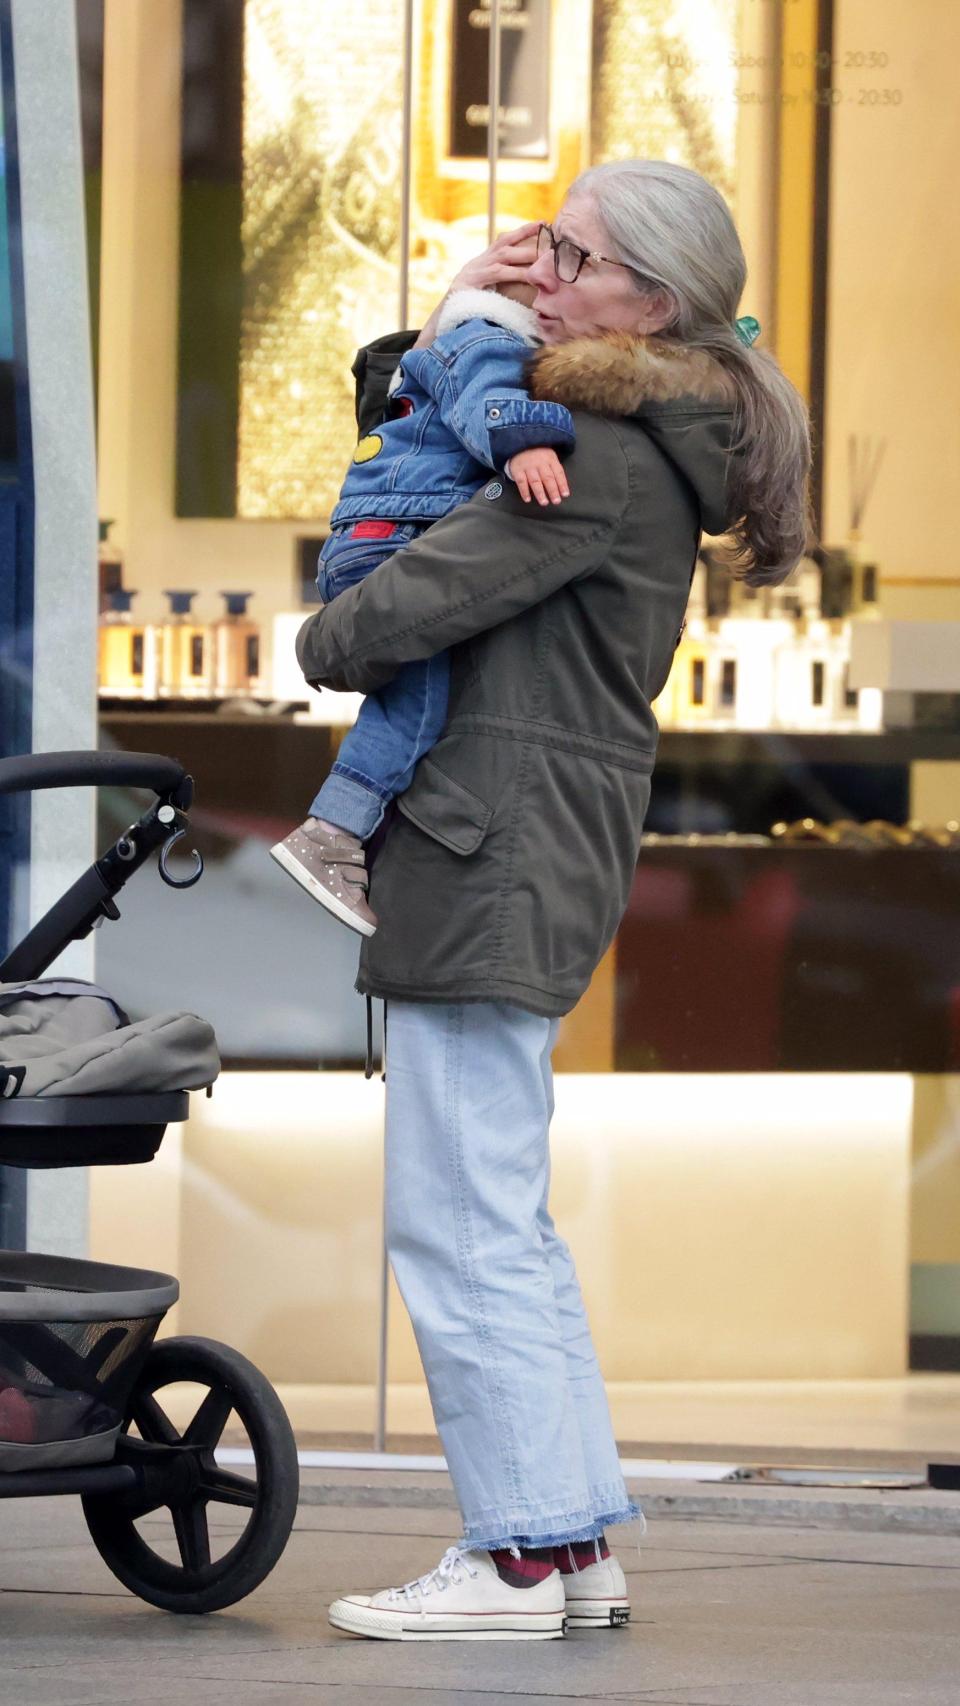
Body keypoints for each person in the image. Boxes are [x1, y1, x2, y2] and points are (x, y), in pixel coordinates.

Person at [296, 159, 812, 1642]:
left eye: (572, 257)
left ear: (652, 301)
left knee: (459, 1214)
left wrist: (336, 615)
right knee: (499, 1210)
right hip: (518, 831)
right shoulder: (632, 431)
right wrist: (464, 321)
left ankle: (513, 1553)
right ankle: (572, 1538)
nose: (540, 271)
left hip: (486, 836)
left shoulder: (599, 448)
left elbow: (375, 620)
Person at [270, 280, 577, 936]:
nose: (559, 300)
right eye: (548, 286)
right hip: (398, 540)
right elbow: (487, 400)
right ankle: (332, 834)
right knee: (412, 710)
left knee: (415, 701)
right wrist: (526, 441)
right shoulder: (490, 340)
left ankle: (352, 834)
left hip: (377, 536)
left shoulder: (452, 341)